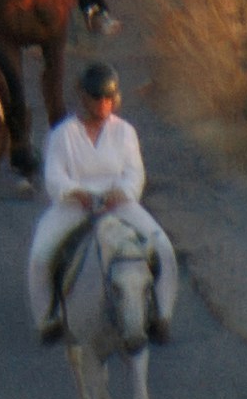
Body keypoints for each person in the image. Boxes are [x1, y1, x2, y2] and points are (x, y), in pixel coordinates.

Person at [29, 58, 176, 346]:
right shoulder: (63, 134)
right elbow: (54, 176)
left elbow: (135, 173)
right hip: (74, 205)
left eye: (109, 97)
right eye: (97, 97)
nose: (103, 104)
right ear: (83, 97)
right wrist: (76, 192)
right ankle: (47, 318)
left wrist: (121, 193)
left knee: (162, 246)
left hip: (118, 203)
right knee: (41, 255)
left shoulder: (124, 132)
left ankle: (162, 314)